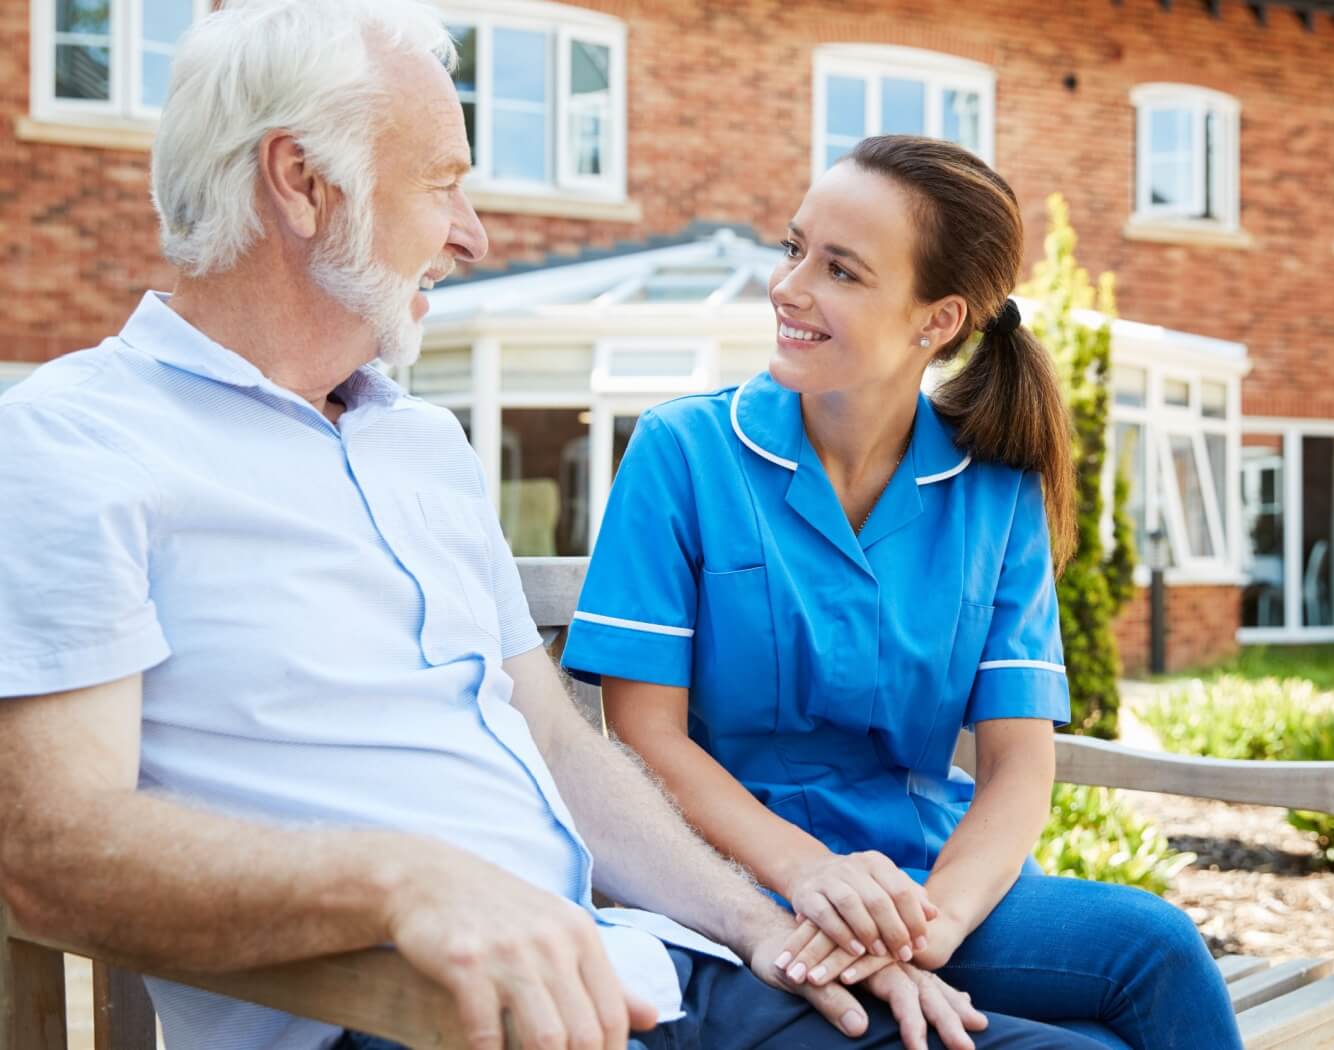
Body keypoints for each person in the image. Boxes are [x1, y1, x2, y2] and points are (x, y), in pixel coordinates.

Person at [0, 4, 1110, 1049]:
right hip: (410, 1012)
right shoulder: (76, 445)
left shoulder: (419, 445)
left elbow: (563, 744)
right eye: (443, 186)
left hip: (638, 973)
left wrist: (758, 927)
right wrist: (404, 879)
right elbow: (46, 853)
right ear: (303, 184)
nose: (474, 235)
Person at [560, 135, 1248, 1050]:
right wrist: (811, 877)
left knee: (1155, 947)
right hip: (727, 885)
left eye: (840, 270)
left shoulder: (995, 494)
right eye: (793, 248)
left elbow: (1018, 766)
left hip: (922, 889)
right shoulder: (682, 454)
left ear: (937, 320)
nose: (789, 286)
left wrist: (933, 927)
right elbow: (643, 735)